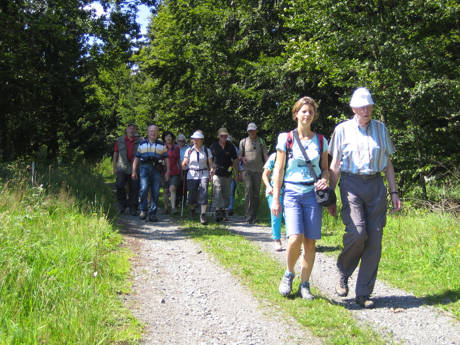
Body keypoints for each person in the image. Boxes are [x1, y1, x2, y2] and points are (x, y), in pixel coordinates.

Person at [328, 87, 401, 309]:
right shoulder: (342, 130)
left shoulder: (381, 129)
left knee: (375, 241)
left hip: (376, 185)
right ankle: (344, 270)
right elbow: (335, 164)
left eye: (369, 106)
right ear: (353, 108)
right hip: (351, 184)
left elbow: (388, 164)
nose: (366, 110)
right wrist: (330, 196)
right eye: (362, 106)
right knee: (357, 232)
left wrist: (394, 192)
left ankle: (363, 293)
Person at [271, 96, 333, 300]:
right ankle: (289, 273)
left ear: (314, 116)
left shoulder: (321, 141)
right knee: (295, 237)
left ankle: (304, 285)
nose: (307, 114)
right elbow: (278, 170)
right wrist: (277, 198)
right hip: (292, 193)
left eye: (311, 112)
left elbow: (325, 170)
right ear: (296, 113)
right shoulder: (286, 138)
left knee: (310, 243)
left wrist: (325, 180)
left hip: (312, 195)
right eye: (303, 111)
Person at [131, 125, 169, 222]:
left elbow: (166, 158)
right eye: (151, 131)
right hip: (144, 167)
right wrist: (134, 171)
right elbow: (137, 158)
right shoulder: (142, 144)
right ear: (148, 132)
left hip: (156, 169)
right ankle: (143, 210)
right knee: (143, 189)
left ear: (157, 133)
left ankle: (153, 213)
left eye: (155, 131)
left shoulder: (161, 145)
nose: (153, 133)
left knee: (155, 191)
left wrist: (168, 171)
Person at [182, 130, 214, 225]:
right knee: (192, 194)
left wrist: (212, 170)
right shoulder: (189, 150)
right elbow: (185, 161)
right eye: (194, 139)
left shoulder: (207, 151)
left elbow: (211, 164)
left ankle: (203, 214)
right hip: (192, 174)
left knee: (204, 192)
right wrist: (183, 164)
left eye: (198, 139)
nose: (195, 141)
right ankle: (192, 208)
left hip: (203, 173)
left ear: (202, 140)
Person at [238, 122, 268, 224]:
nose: (251, 132)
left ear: (256, 131)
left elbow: (265, 155)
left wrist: (268, 167)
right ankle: (248, 215)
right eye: (249, 130)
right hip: (247, 170)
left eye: (253, 130)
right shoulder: (243, 141)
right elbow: (239, 156)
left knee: (256, 194)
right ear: (247, 131)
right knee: (248, 191)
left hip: (259, 170)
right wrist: (242, 158)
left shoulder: (261, 141)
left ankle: (254, 216)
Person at [210, 128, 238, 222]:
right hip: (217, 173)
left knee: (226, 193)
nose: (224, 137)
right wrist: (211, 169)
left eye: (225, 136)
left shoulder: (231, 146)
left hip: (228, 173)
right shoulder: (213, 146)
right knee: (217, 191)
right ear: (218, 136)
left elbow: (235, 160)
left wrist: (236, 173)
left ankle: (224, 211)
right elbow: (210, 159)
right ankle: (218, 211)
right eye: (222, 136)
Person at [112, 123, 141, 215]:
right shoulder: (120, 140)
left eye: (133, 129)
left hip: (135, 168)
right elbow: (116, 153)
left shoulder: (140, 142)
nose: (131, 131)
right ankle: (122, 205)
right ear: (126, 130)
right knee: (119, 185)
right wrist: (114, 167)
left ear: (135, 131)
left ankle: (133, 207)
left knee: (134, 188)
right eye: (130, 129)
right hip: (122, 167)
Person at [262, 152, 284, 251]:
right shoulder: (274, 157)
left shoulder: (294, 155)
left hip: (289, 190)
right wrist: (269, 187)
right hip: (273, 191)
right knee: (276, 215)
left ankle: (292, 240)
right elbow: (265, 175)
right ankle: (277, 240)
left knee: (289, 216)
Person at [162, 131, 181, 215]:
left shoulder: (176, 148)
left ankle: (173, 208)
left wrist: (181, 170)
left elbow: (178, 159)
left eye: (170, 136)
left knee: (172, 188)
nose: (168, 138)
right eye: (166, 136)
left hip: (174, 171)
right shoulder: (162, 148)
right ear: (164, 138)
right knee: (166, 190)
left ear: (172, 138)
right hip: (164, 171)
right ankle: (166, 207)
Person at [227, 135, 241, 216]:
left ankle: (230, 208)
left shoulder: (235, 149)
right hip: (224, 173)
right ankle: (223, 207)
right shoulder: (222, 148)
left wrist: (237, 173)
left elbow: (237, 162)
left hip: (233, 172)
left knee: (231, 191)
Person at [176, 133, 189, 209]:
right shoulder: (175, 147)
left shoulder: (188, 148)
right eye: (179, 141)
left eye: (182, 141)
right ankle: (177, 201)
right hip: (176, 169)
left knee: (184, 186)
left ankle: (183, 202)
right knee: (177, 186)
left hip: (185, 169)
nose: (181, 142)